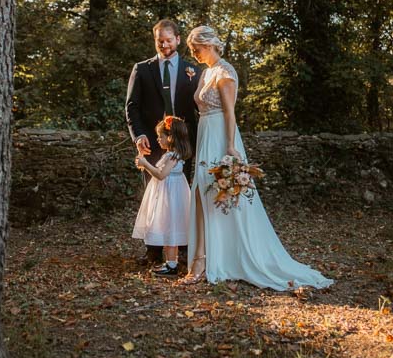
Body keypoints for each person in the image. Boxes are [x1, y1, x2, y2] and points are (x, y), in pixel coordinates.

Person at [179, 25, 332, 290]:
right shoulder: (206, 73)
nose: (194, 53)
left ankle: (214, 260)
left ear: (211, 44)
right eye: (192, 49)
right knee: (200, 194)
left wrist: (230, 146)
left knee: (217, 195)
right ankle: (201, 259)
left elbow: (230, 113)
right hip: (205, 133)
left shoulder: (225, 73)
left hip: (219, 137)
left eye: (197, 48)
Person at [124, 19, 200, 267]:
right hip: (155, 143)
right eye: (160, 40)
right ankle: (154, 251)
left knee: (183, 195)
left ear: (178, 39)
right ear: (155, 40)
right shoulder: (142, 69)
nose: (164, 44)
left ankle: (182, 249)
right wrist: (139, 136)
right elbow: (132, 107)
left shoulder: (193, 70)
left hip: (185, 145)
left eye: (168, 40)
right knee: (155, 197)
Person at [132, 116, 192, 277]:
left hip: (170, 196)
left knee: (170, 227)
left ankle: (172, 265)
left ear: (170, 137)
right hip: (168, 193)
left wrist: (146, 164)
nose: (158, 139)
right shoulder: (171, 154)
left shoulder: (172, 156)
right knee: (167, 226)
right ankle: (170, 262)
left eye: (161, 136)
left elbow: (161, 174)